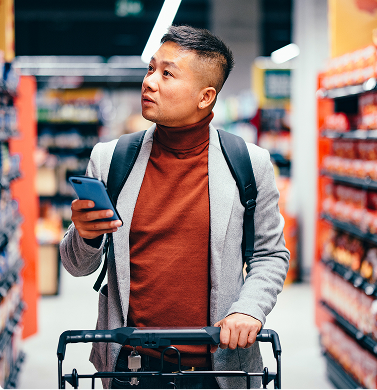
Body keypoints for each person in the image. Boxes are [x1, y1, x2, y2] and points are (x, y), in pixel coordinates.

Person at [60, 25, 290, 389]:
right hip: (129, 368)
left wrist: (249, 309)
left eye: (167, 73)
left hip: (218, 368)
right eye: (151, 69)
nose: (150, 81)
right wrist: (85, 237)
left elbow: (270, 255)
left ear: (205, 97)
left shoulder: (248, 164)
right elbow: (76, 266)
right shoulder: (111, 160)